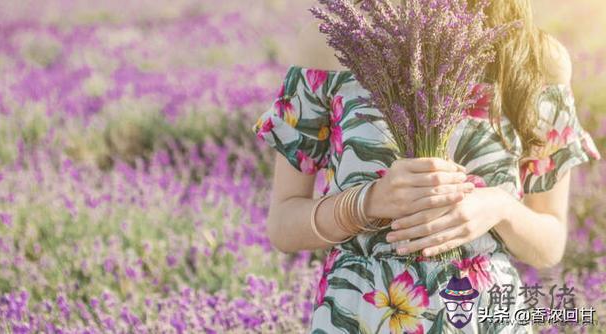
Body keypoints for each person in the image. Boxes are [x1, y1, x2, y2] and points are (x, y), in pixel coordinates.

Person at [252, 0, 602, 333]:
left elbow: (550, 245)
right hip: (360, 315)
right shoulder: (329, 43)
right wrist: (366, 203)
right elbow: (283, 226)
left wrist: (501, 208)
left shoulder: (536, 59)